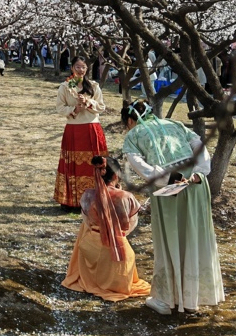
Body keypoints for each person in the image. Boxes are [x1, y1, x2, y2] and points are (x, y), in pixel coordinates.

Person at [120, 100, 224, 315]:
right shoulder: (174, 124)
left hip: (170, 186)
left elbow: (141, 166)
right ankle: (194, 298)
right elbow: (198, 144)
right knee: (195, 235)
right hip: (196, 182)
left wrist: (170, 178)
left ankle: (166, 299)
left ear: (130, 120)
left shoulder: (132, 136)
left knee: (171, 237)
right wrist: (200, 171)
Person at [62, 156, 151, 301]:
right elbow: (131, 223)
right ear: (116, 175)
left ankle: (93, 280)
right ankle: (114, 284)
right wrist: (114, 232)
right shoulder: (125, 196)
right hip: (116, 251)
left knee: (89, 239)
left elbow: (87, 222)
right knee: (125, 258)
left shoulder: (87, 195)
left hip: (90, 247)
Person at [54, 56, 108, 210]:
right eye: (77, 67)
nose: (80, 70)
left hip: (92, 128)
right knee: (73, 165)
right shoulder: (65, 87)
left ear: (87, 69)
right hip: (74, 129)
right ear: (72, 68)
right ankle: (72, 201)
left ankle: (96, 201)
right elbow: (60, 108)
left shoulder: (93, 86)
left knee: (93, 164)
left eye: (83, 67)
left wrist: (88, 103)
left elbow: (101, 106)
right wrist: (74, 109)